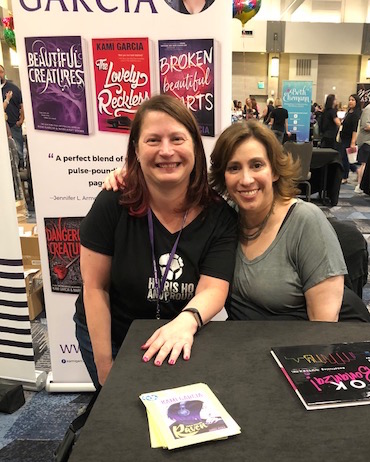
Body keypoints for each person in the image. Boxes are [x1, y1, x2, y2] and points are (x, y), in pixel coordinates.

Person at [74, 95, 237, 389]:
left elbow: (213, 287)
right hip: (112, 335)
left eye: (177, 138)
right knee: (117, 407)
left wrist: (187, 321)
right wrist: (106, 367)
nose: (166, 150)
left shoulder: (218, 215)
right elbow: (95, 288)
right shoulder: (112, 203)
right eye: (153, 140)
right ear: (136, 149)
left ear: (195, 147)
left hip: (180, 331)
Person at [209, 120, 354, 322]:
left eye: (257, 165)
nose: (246, 179)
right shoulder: (224, 218)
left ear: (275, 171)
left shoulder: (306, 221)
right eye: (234, 168)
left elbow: (323, 325)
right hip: (241, 337)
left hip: (296, 339)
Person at [0, 64, 24, 168]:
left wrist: (21, 120)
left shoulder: (13, 88)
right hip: (2, 127)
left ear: (4, 73)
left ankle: (21, 167)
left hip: (13, 124)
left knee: (18, 149)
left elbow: (22, 104)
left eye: (1, 72)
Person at [338, 94, 361, 183]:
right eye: (349, 100)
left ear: (356, 102)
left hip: (349, 138)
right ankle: (357, 171)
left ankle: (345, 177)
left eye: (353, 100)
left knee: (345, 158)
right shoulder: (349, 112)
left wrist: (353, 142)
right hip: (343, 137)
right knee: (345, 157)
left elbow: (355, 129)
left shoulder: (355, 114)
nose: (350, 102)